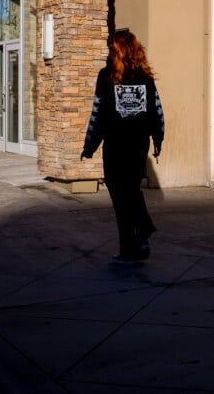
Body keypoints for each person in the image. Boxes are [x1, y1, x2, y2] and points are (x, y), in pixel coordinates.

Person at [81, 28, 165, 265]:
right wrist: (158, 139)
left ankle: (131, 246)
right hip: (138, 146)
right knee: (130, 191)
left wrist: (90, 145)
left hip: (116, 146)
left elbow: (97, 113)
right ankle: (141, 235)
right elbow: (157, 111)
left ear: (117, 49)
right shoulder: (145, 77)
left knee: (120, 196)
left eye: (110, 46)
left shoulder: (106, 76)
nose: (107, 50)